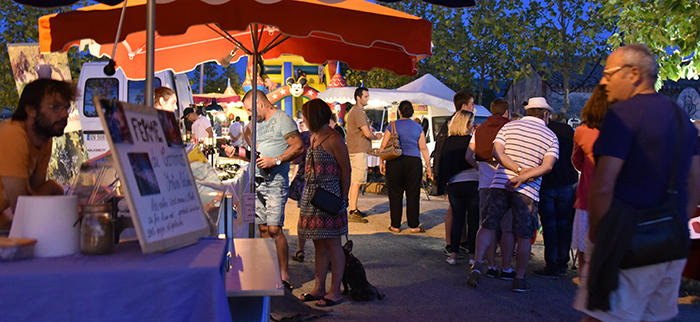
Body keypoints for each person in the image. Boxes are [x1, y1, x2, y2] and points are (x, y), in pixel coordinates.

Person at [573, 44, 700, 321]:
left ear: (633, 73)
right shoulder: (682, 120)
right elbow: (694, 184)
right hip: (671, 244)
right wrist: (674, 222)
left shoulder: (622, 115)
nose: (603, 82)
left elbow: (604, 186)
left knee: (600, 317)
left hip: (628, 240)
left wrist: (596, 235)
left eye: (609, 74)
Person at [467, 97, 559, 293]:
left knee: (487, 225)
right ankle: (518, 278)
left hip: (500, 182)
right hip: (528, 190)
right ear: (544, 114)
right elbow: (547, 166)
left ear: (528, 111)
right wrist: (524, 176)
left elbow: (497, 152)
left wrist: (516, 169)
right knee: (523, 234)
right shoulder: (550, 136)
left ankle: (477, 264)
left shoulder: (509, 128)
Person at [225, 90, 303, 292]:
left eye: (251, 109)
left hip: (275, 181)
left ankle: (284, 275)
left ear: (260, 103)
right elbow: (255, 155)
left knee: (275, 228)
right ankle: (270, 271)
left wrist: (275, 160)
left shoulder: (283, 119)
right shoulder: (256, 124)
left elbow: (298, 147)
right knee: (263, 229)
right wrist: (237, 153)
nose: (250, 114)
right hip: (257, 181)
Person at [0, 79, 76, 230]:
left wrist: (48, 189)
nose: (64, 115)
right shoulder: (13, 134)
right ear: (31, 110)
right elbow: (23, 207)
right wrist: (52, 186)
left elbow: (34, 195)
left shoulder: (44, 139)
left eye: (66, 108)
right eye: (55, 107)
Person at [296, 99, 350, 307]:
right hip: (313, 195)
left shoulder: (334, 138)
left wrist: (343, 199)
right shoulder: (315, 136)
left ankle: (334, 291)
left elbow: (346, 169)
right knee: (318, 243)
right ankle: (319, 287)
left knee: (333, 243)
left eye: (306, 116)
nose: (304, 120)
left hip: (329, 197)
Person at [465, 98, 516, 280]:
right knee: (507, 228)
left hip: (485, 183)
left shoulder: (480, 130)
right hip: (506, 182)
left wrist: (481, 169)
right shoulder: (511, 128)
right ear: (506, 112)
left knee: (488, 225)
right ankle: (507, 268)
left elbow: (469, 155)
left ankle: (491, 266)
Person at [570, 85, 610, 271]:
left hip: (587, 195)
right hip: (613, 199)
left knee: (585, 249)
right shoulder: (622, 132)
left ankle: (585, 283)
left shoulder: (581, 132)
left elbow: (576, 161)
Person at [534, 113, 578, 279]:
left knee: (550, 226)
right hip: (567, 181)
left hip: (546, 183)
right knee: (565, 224)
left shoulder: (539, 131)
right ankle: (562, 263)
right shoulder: (566, 129)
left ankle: (552, 264)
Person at [379, 100, 433, 233]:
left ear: (399, 111)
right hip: (413, 162)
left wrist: (381, 162)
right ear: (412, 112)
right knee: (413, 193)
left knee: (395, 193)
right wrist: (429, 166)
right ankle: (414, 225)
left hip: (394, 161)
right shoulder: (418, 127)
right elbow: (423, 148)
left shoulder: (392, 126)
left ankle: (395, 225)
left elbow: (383, 146)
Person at [436, 110, 479, 265]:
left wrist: (443, 185)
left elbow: (443, 164)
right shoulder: (472, 140)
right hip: (473, 181)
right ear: (466, 123)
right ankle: (473, 256)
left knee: (457, 218)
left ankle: (453, 254)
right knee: (474, 220)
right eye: (471, 121)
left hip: (454, 184)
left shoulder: (448, 141)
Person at [345, 87, 382, 222]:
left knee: (356, 181)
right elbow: (367, 133)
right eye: (366, 96)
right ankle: (353, 210)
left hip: (356, 149)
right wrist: (376, 137)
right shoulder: (358, 112)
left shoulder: (356, 111)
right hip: (358, 150)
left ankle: (353, 208)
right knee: (357, 181)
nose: (368, 98)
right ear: (358, 98)